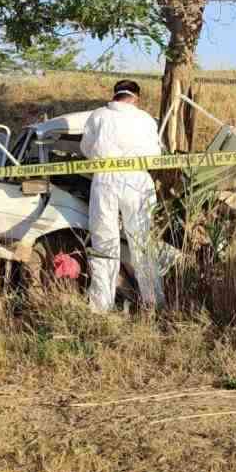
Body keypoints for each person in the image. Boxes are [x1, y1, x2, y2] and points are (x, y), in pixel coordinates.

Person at [80, 79, 164, 313]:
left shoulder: (98, 115)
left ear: (114, 95)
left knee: (104, 242)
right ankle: (153, 301)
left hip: (105, 180)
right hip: (137, 180)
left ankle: (100, 305)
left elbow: (86, 149)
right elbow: (155, 153)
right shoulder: (145, 119)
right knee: (142, 241)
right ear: (136, 97)